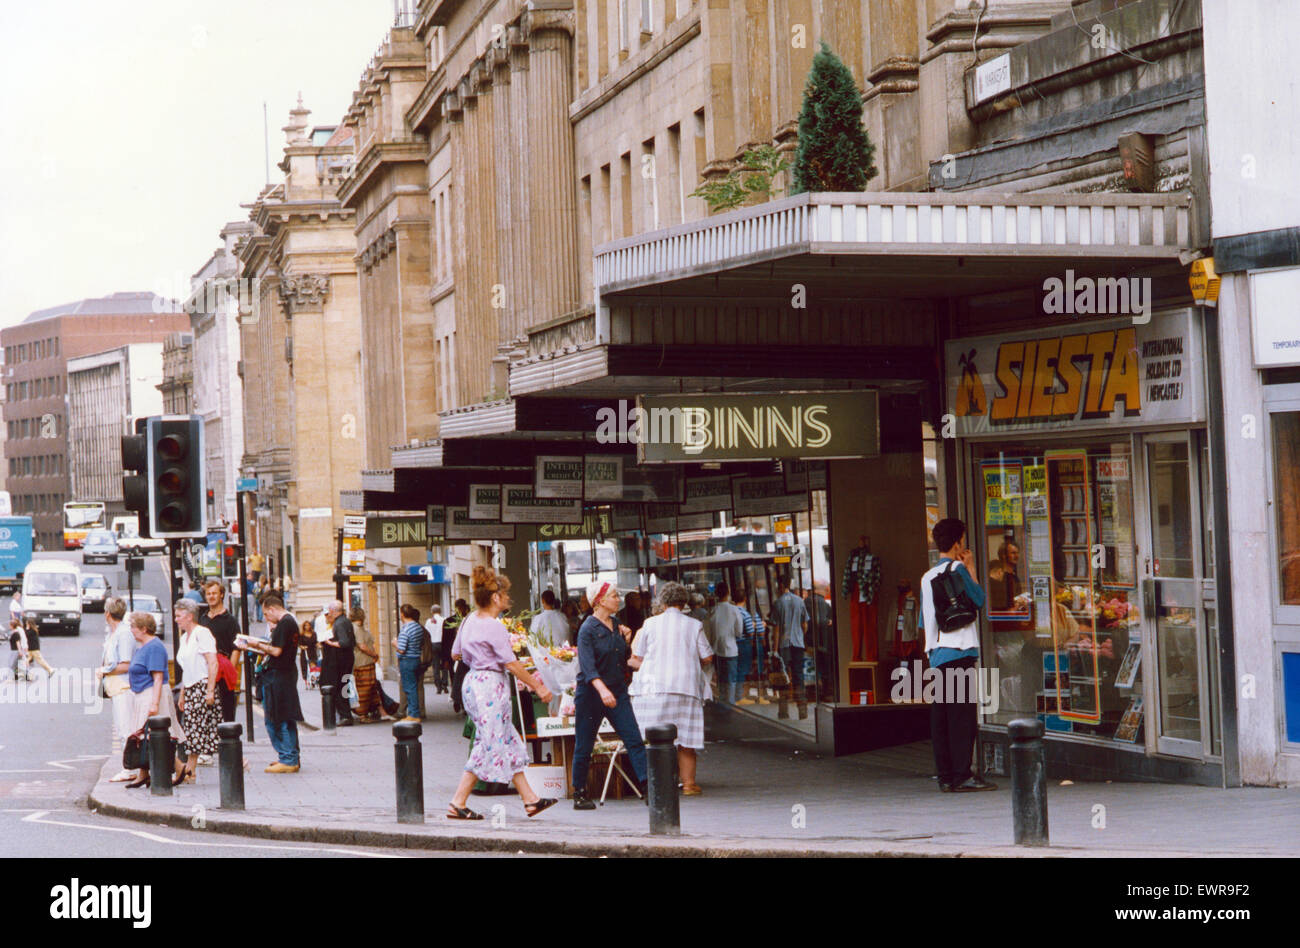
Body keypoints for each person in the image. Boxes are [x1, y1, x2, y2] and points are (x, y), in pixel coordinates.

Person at [445, 566, 557, 820]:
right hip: (490, 686)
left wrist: (478, 654)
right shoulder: (494, 626)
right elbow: (512, 663)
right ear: (495, 597)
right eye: (505, 594)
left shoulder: (469, 620)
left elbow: (455, 653)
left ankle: (531, 800)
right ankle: (457, 802)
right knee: (489, 741)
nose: (508, 598)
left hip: (473, 682)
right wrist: (537, 685)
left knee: (506, 738)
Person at [920, 517, 996, 793]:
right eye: (962, 539)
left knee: (941, 717)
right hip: (960, 650)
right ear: (957, 542)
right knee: (962, 716)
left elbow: (923, 620)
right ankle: (963, 774)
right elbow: (978, 599)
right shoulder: (958, 569)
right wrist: (972, 567)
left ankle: (946, 776)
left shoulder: (926, 577)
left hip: (936, 654)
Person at [628, 581, 714, 795]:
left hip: (653, 688)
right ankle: (688, 785)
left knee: (653, 738)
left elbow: (637, 656)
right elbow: (708, 656)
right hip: (686, 687)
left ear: (663, 602)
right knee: (686, 739)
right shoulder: (694, 625)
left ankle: (656, 784)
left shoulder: (649, 624)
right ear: (683, 602)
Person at [570, 580, 649, 811]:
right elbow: (587, 666)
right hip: (592, 694)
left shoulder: (615, 624)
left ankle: (647, 787)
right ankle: (580, 793)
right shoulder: (587, 629)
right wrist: (602, 690)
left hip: (617, 690)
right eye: (614, 595)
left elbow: (621, 658)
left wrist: (625, 641)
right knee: (584, 743)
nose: (618, 599)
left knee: (633, 738)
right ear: (600, 601)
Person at [124, 612, 186, 789]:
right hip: (143, 694)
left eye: (133, 626)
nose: (131, 630)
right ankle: (144, 773)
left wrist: (154, 703)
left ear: (144, 629)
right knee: (144, 736)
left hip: (153, 693)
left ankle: (178, 766)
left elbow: (158, 677)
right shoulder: (142, 646)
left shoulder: (155, 647)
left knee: (157, 735)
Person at [243, 596, 303, 772]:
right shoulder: (290, 622)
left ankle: (288, 758)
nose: (266, 618)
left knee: (275, 719)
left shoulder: (284, 623)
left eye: (265, 614)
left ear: (271, 609)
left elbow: (276, 651)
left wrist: (256, 645)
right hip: (285, 674)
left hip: (277, 677)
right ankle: (291, 756)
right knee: (286, 718)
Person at [173, 600, 219, 785]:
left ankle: (189, 772)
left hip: (202, 685)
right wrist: (183, 693)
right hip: (191, 687)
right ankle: (189, 771)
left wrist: (210, 691)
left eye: (179, 616)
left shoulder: (202, 633)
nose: (176, 620)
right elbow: (187, 668)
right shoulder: (185, 638)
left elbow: (212, 662)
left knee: (199, 730)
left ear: (190, 616)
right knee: (194, 730)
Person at [94, 597, 140, 781]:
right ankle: (129, 767)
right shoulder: (114, 633)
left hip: (125, 687)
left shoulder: (124, 634)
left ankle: (130, 769)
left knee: (126, 728)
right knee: (121, 727)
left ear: (107, 614)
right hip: (115, 688)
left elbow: (127, 664)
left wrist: (103, 671)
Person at [199, 581, 241, 724]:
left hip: (223, 671)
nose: (211, 596)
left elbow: (236, 647)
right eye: (208, 594)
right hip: (205, 670)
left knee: (226, 713)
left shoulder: (231, 620)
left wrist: (230, 668)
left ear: (221, 595)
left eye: (214, 593)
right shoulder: (202, 619)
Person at [771, 580, 810, 719]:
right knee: (798, 675)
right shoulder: (800, 601)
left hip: (784, 644)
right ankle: (802, 709)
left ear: (781, 586)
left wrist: (775, 650)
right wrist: (800, 635)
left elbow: (776, 628)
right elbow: (805, 624)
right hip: (798, 644)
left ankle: (783, 710)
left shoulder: (778, 603)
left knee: (783, 676)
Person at [320, 600, 356, 726]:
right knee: (344, 686)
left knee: (339, 687)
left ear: (334, 610)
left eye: (330, 609)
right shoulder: (346, 621)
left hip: (340, 660)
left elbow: (344, 642)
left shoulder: (339, 623)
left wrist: (330, 643)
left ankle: (345, 716)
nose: (329, 612)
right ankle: (346, 715)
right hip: (347, 659)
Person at [732, 588, 769, 705]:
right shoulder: (748, 613)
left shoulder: (730, 612)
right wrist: (760, 626)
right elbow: (753, 631)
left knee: (737, 670)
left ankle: (739, 694)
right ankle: (743, 696)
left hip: (734, 643)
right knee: (752, 670)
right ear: (745, 599)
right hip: (746, 644)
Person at [709, 582, 742, 704]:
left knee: (721, 682)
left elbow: (710, 632)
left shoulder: (713, 610)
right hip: (731, 650)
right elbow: (739, 632)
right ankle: (731, 706)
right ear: (728, 593)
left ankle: (723, 706)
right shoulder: (734, 610)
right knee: (731, 681)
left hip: (717, 651)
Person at [350, 606, 386, 721]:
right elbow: (362, 646)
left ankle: (380, 711)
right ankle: (362, 715)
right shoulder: (356, 629)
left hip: (365, 661)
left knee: (371, 688)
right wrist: (374, 654)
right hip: (362, 662)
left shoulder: (359, 628)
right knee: (364, 689)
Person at [392, 604, 426, 722]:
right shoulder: (418, 627)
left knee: (409, 688)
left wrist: (395, 643)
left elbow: (401, 649)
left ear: (402, 614)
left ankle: (413, 714)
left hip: (407, 660)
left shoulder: (406, 629)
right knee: (414, 687)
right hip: (416, 658)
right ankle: (414, 713)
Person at [444, 599, 470, 713]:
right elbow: (444, 642)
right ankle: (456, 700)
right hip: (453, 656)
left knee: (462, 678)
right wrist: (445, 659)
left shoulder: (469, 621)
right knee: (454, 678)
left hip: (465, 657)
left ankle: (463, 703)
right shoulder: (448, 621)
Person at [424, 605, 448, 693]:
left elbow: (426, 634)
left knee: (436, 666)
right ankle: (445, 684)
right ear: (440, 611)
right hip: (442, 644)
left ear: (431, 612)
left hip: (433, 644)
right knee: (445, 664)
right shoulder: (444, 620)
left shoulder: (428, 621)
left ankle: (438, 686)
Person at [298, 618, 318, 686]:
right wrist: (303, 647)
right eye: (306, 625)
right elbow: (299, 644)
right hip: (305, 652)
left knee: (313, 665)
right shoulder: (301, 634)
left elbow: (316, 642)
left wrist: (318, 645)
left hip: (312, 651)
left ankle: (313, 679)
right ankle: (306, 679)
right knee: (305, 666)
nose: (307, 627)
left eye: (308, 625)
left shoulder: (314, 633)